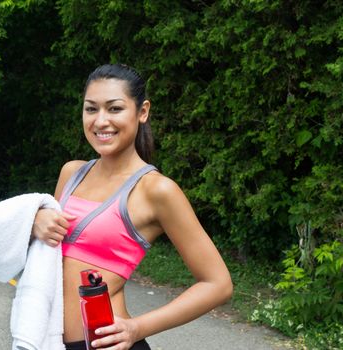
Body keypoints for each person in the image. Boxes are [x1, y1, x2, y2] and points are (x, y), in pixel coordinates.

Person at [31, 63, 233, 350]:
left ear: (142, 111)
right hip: (49, 341)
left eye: (114, 109)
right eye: (91, 109)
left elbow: (218, 284)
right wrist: (35, 222)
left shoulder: (156, 190)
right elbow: (46, 256)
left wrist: (137, 328)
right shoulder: (71, 173)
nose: (101, 121)